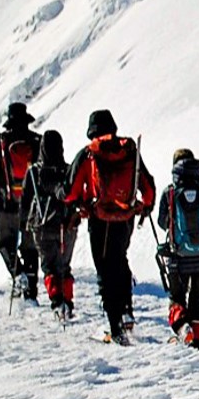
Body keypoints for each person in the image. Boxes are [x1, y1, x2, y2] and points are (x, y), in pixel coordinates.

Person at [66, 109, 155, 344]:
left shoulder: (88, 154)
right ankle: (126, 311)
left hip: (100, 220)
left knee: (105, 269)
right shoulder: (129, 151)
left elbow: (70, 191)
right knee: (120, 259)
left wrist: (81, 205)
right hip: (125, 217)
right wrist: (143, 207)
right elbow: (148, 187)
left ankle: (115, 325)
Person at [156, 148, 199, 349]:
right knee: (197, 300)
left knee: (177, 298)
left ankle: (183, 327)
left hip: (178, 257)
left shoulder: (170, 192)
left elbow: (162, 221)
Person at [0, 102, 43, 302]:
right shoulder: (37, 141)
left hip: (6, 203)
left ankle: (18, 275)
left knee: (4, 243)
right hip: (31, 205)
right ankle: (31, 292)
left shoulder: (0, 142)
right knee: (30, 248)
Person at [21, 130, 81, 321]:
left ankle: (57, 302)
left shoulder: (33, 172)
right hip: (67, 224)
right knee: (64, 265)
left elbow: (25, 200)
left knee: (49, 267)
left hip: (42, 225)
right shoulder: (68, 169)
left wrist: (23, 223)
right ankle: (68, 302)